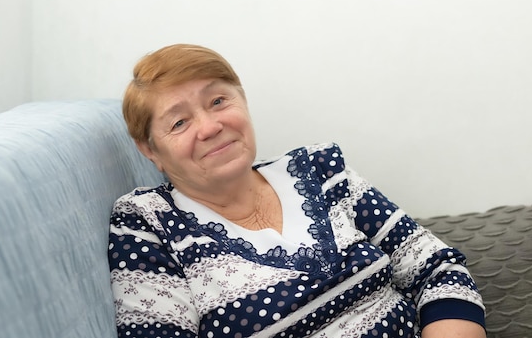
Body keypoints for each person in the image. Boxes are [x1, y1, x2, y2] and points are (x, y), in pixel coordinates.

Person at [108, 43, 486, 338]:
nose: (209, 127)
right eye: (179, 122)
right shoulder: (148, 222)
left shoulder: (320, 170)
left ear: (243, 99)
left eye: (218, 100)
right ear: (149, 150)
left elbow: (435, 266)